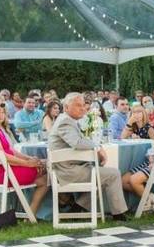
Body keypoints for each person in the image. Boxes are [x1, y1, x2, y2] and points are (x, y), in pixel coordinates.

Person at [48, 92, 129, 220]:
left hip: (70, 168)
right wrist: (97, 146)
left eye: (83, 105)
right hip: (67, 171)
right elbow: (77, 142)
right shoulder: (65, 122)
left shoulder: (68, 120)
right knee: (113, 174)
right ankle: (118, 214)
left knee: (103, 174)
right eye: (78, 105)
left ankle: (77, 208)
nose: (82, 108)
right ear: (66, 107)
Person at [0, 92, 50, 216]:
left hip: (7, 170)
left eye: (2, 105)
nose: (1, 109)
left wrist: (30, 158)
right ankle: (33, 214)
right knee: (46, 173)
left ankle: (32, 214)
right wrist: (28, 164)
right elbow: (3, 156)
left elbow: (12, 151)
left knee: (45, 170)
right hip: (1, 173)